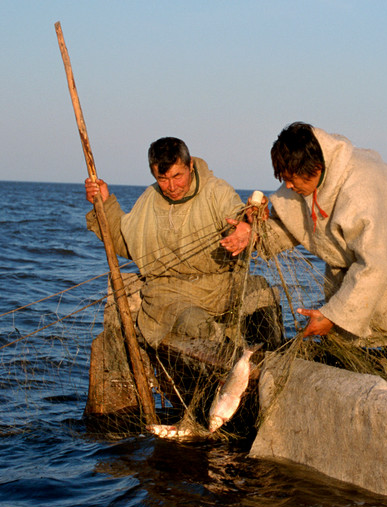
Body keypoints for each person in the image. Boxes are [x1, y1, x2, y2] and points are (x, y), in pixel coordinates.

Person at [222, 122, 387, 347]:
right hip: (354, 265)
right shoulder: (305, 177)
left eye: (291, 180)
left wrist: (333, 316)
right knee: (353, 347)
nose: (289, 186)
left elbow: (377, 264)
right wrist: (254, 233)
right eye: (285, 179)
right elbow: (293, 225)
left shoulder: (362, 190)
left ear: (315, 168)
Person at [85, 136, 279, 349]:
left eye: (178, 176)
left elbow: (235, 214)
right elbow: (125, 242)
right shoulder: (149, 198)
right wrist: (104, 204)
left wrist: (247, 222)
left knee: (263, 301)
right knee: (195, 324)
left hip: (220, 290)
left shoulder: (216, 190)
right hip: (167, 296)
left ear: (190, 166)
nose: (172, 186)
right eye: (163, 179)